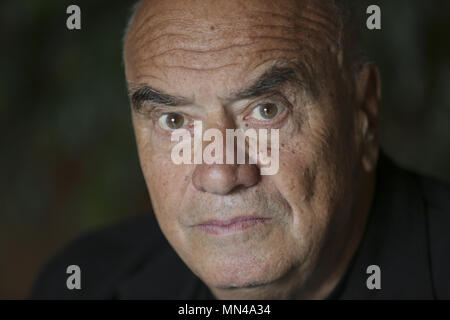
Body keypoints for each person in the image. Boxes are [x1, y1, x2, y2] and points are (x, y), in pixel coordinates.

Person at [31, 0, 450, 299]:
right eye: (174, 120)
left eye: (266, 110)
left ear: (364, 112)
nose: (221, 174)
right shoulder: (84, 283)